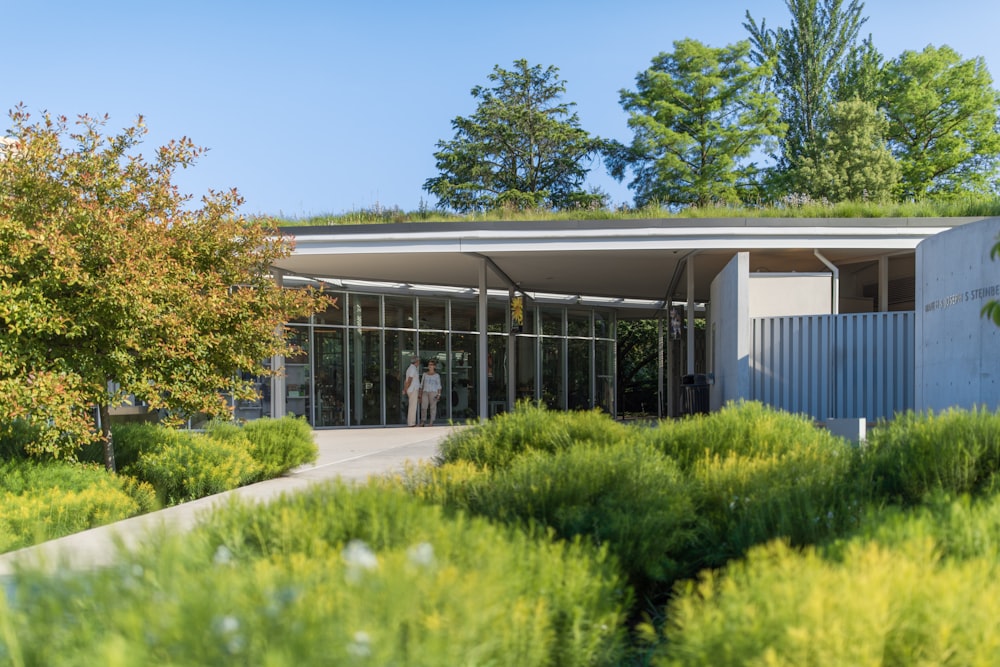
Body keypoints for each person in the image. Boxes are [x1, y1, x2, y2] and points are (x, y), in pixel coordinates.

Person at [420, 359, 442, 426]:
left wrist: (439, 394)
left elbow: (439, 385)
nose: (430, 366)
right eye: (429, 365)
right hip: (425, 392)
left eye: (431, 365)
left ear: (434, 366)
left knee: (433, 407)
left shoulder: (436, 375)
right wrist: (420, 394)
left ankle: (431, 422)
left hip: (433, 392)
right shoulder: (424, 374)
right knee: (424, 407)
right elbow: (421, 384)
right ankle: (423, 421)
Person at [402, 355, 421, 426]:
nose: (419, 363)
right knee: (413, 406)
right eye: (418, 361)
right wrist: (405, 389)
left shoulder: (409, 368)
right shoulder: (412, 369)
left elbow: (406, 380)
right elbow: (409, 380)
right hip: (412, 389)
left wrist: (405, 388)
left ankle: (411, 422)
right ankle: (411, 423)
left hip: (411, 389)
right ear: (416, 361)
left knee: (412, 405)